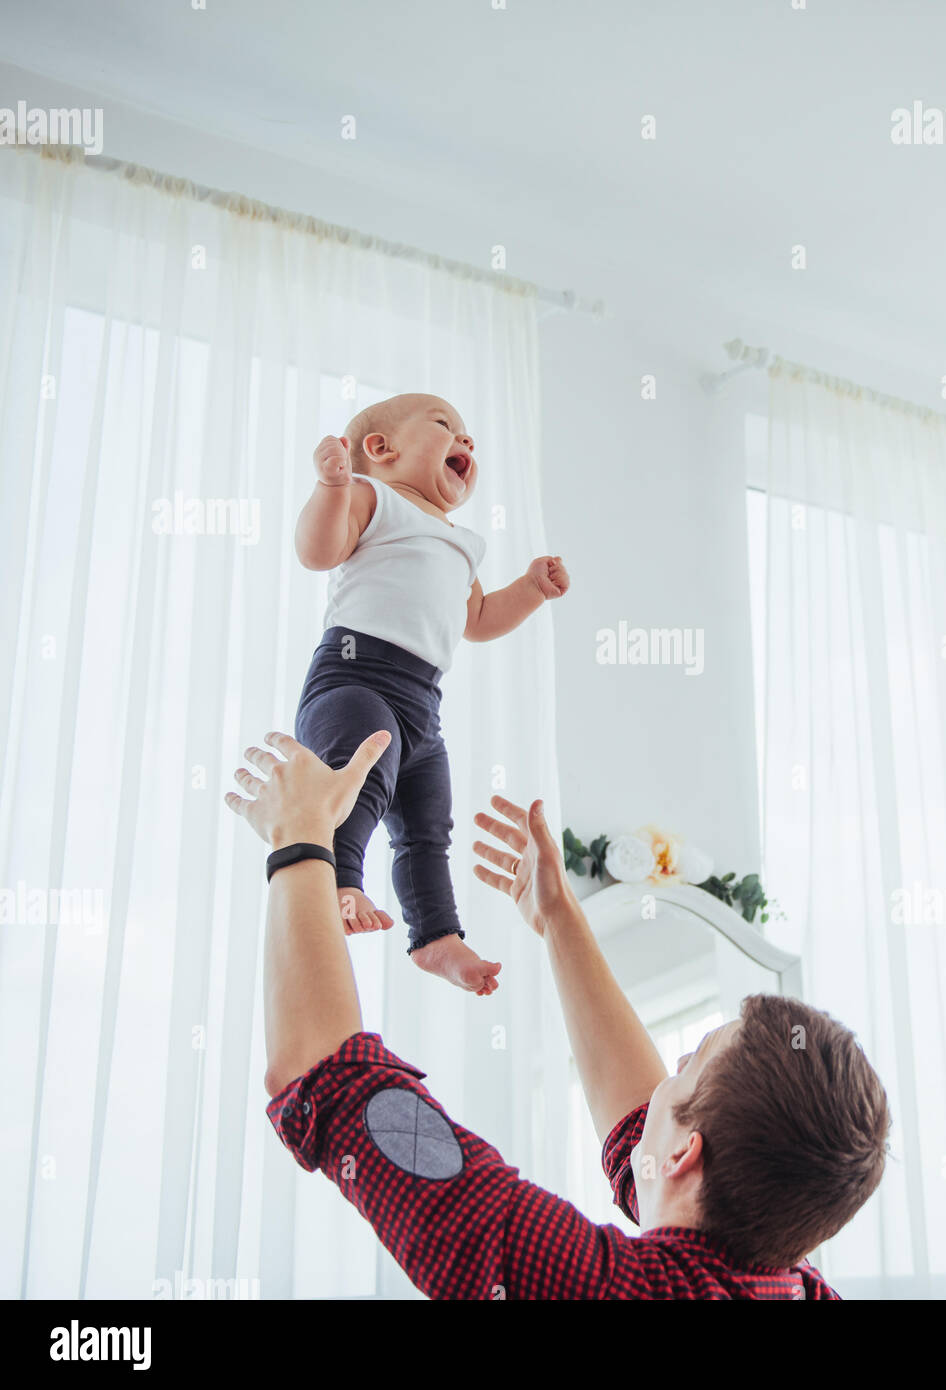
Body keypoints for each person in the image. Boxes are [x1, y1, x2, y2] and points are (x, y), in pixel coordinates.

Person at [225, 730, 891, 1299]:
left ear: (688, 1152)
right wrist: (557, 917)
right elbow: (648, 1144)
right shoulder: (782, 1273)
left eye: (687, 1065)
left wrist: (301, 837)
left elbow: (322, 1077)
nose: (668, 1072)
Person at [293, 392, 568, 994]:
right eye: (446, 427)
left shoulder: (462, 542)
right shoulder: (374, 498)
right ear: (381, 450)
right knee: (362, 778)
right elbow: (318, 553)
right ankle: (341, 879)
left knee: (427, 826)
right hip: (354, 677)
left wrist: (529, 588)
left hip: (423, 703)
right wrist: (331, 487)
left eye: (470, 436)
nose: (465, 441)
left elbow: (481, 620)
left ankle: (436, 937)